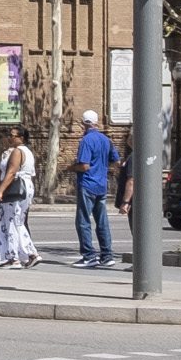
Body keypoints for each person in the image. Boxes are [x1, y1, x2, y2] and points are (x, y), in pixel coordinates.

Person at [73, 109, 117, 268]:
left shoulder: (86, 140)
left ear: (84, 123)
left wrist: (72, 167)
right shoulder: (106, 140)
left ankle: (88, 255)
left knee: (83, 221)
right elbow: (115, 160)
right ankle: (107, 255)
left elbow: (84, 166)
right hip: (101, 185)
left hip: (87, 184)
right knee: (102, 221)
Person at [0, 128, 41, 267]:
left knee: (11, 222)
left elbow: (11, 172)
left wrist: (0, 190)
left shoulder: (17, 151)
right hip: (24, 187)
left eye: (12, 136)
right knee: (17, 221)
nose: (10, 138)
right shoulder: (27, 151)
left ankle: (13, 257)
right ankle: (31, 253)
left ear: (21, 138)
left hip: (16, 188)